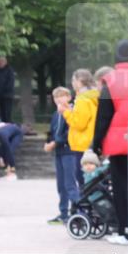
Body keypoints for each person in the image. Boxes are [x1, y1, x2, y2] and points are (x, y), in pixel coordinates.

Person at [92, 39, 128, 246]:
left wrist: (96, 145)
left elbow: (103, 117)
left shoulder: (110, 81)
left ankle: (126, 231)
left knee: (121, 186)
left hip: (121, 144)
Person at [45, 87, 81, 224]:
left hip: (69, 151)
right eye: (56, 97)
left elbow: (70, 132)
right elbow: (52, 131)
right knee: (61, 184)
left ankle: (78, 211)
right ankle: (63, 212)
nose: (59, 99)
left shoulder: (71, 112)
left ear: (69, 97)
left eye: (62, 96)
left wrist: (55, 142)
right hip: (59, 152)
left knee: (70, 183)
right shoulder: (56, 115)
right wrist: (48, 142)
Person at [60, 69, 99, 157]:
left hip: (82, 144)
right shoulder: (94, 96)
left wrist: (65, 112)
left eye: (73, 80)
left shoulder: (83, 99)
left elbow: (79, 124)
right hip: (92, 141)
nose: (72, 83)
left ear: (79, 81)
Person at [0, 56, 16, 122]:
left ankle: (9, 128)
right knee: (2, 115)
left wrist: (2, 92)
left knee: (7, 114)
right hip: (0, 97)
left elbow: (10, 84)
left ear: (5, 62)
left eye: (1, 62)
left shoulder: (10, 71)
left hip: (7, 96)